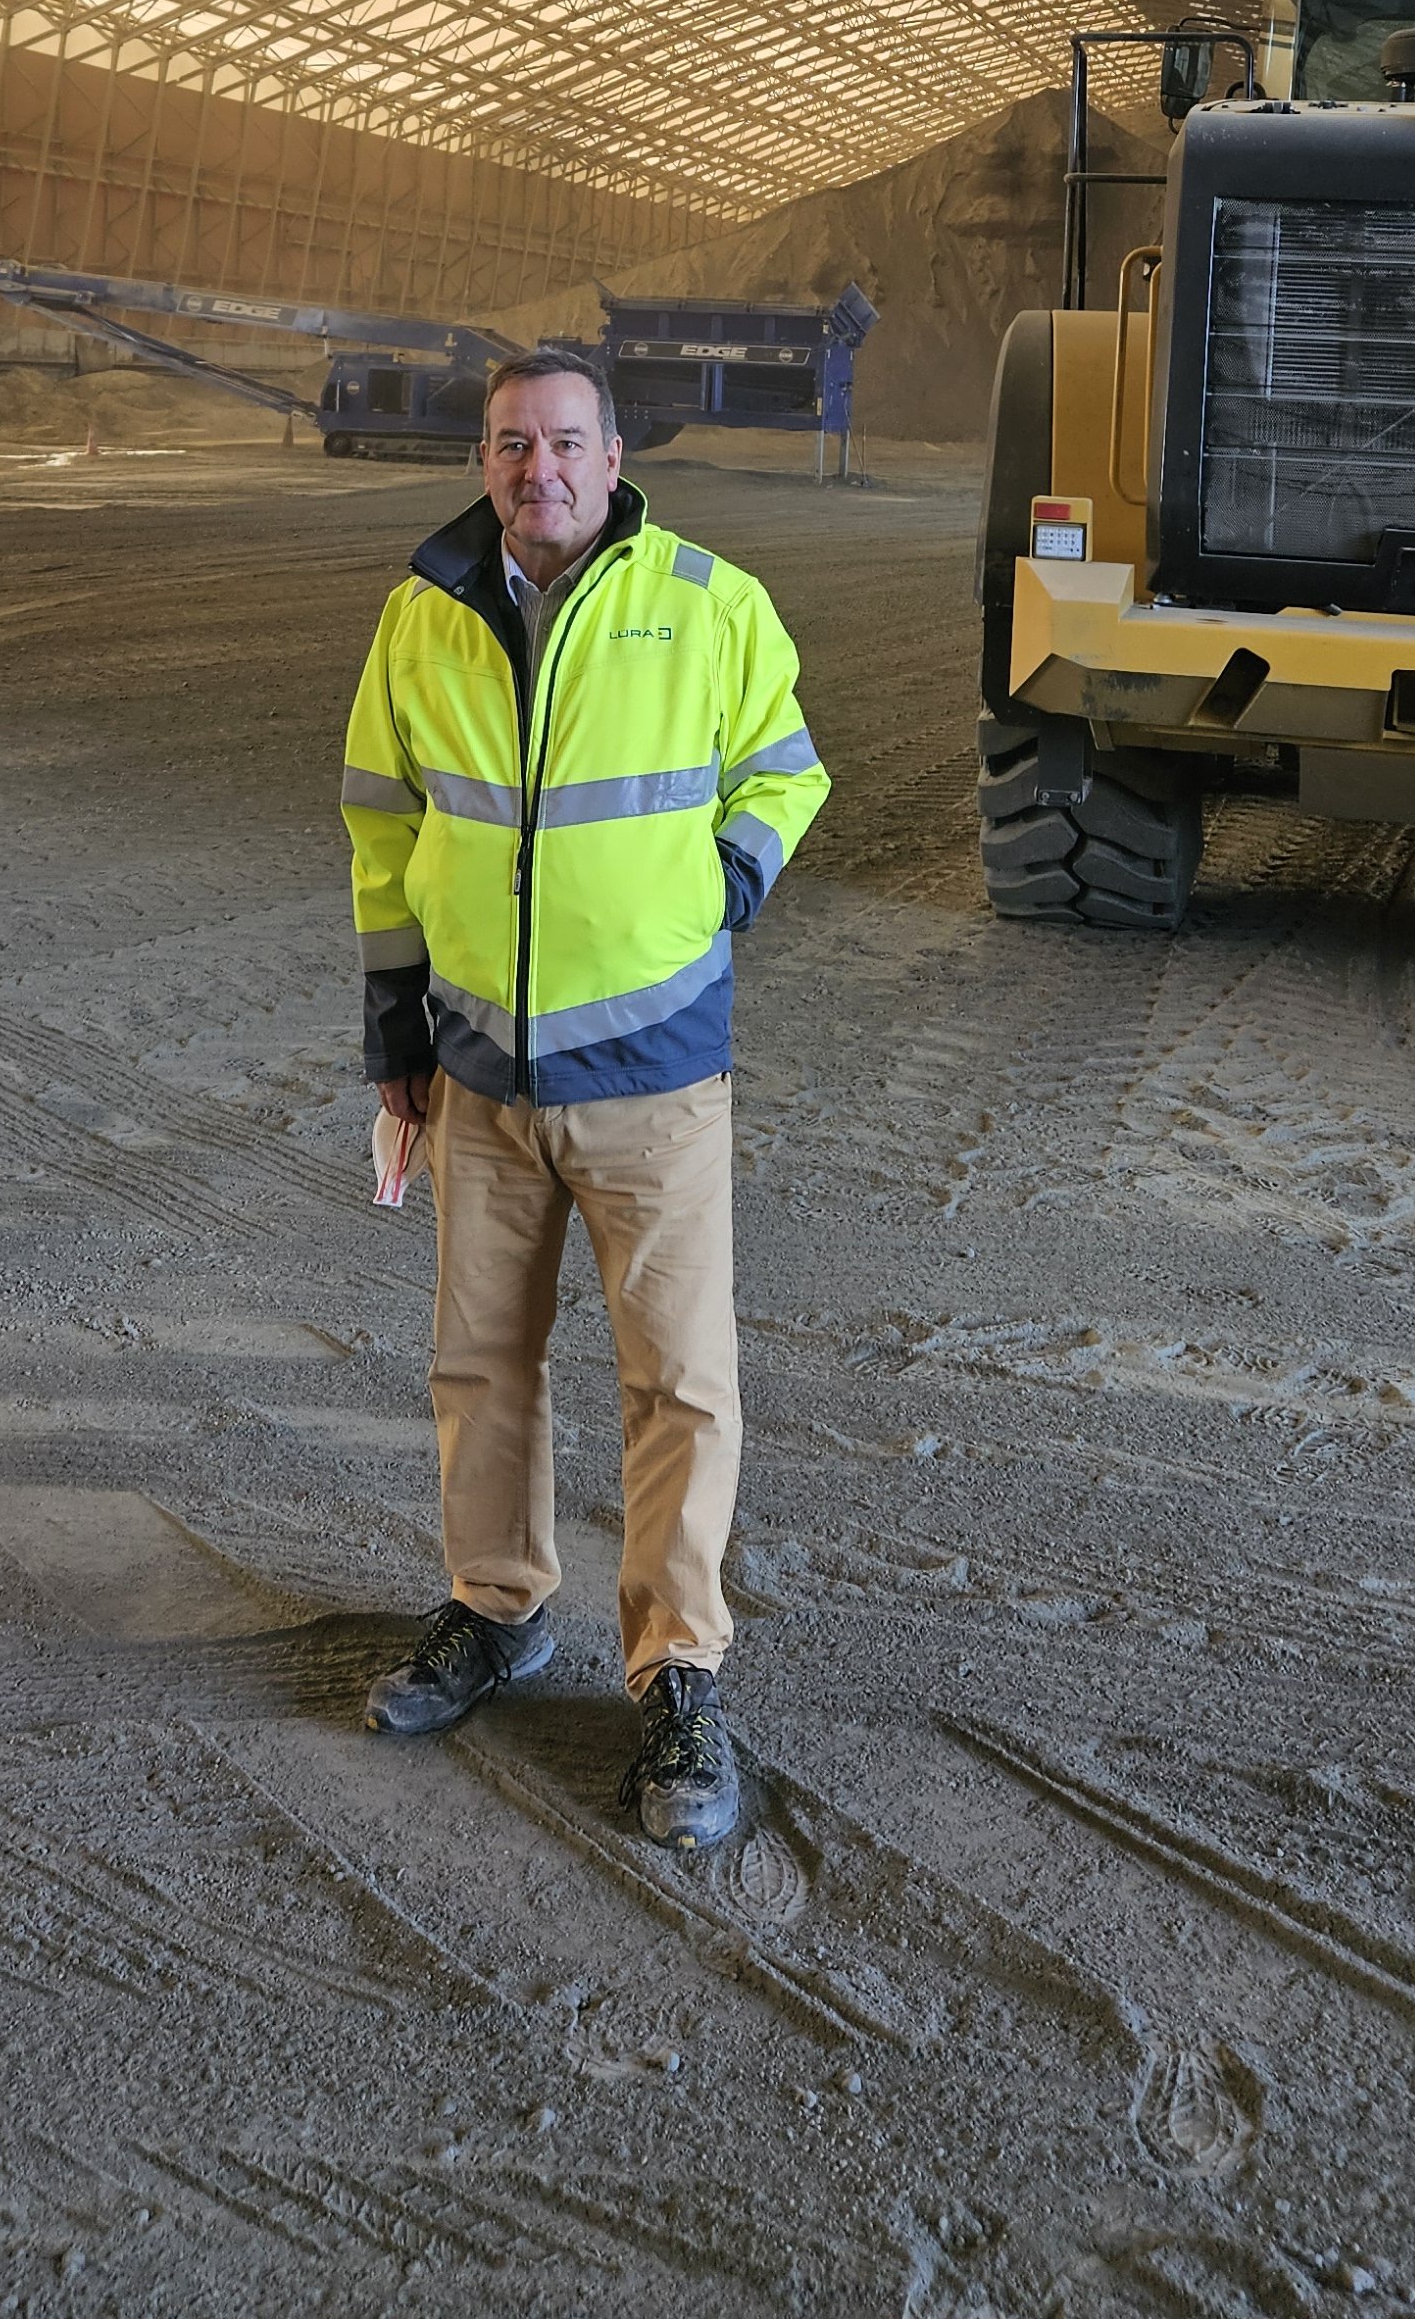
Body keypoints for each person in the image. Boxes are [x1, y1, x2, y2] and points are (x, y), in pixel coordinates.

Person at [339, 343, 827, 1850]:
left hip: (654, 1077)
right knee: (480, 1364)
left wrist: (721, 888)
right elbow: (382, 822)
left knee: (679, 1382)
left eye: (563, 442)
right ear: (484, 461)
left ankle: (680, 1673)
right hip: (481, 1074)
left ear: (616, 458)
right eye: (508, 444)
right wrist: (395, 1038)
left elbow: (785, 770)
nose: (535, 468)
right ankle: (495, 1610)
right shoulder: (423, 617)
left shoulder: (706, 603)